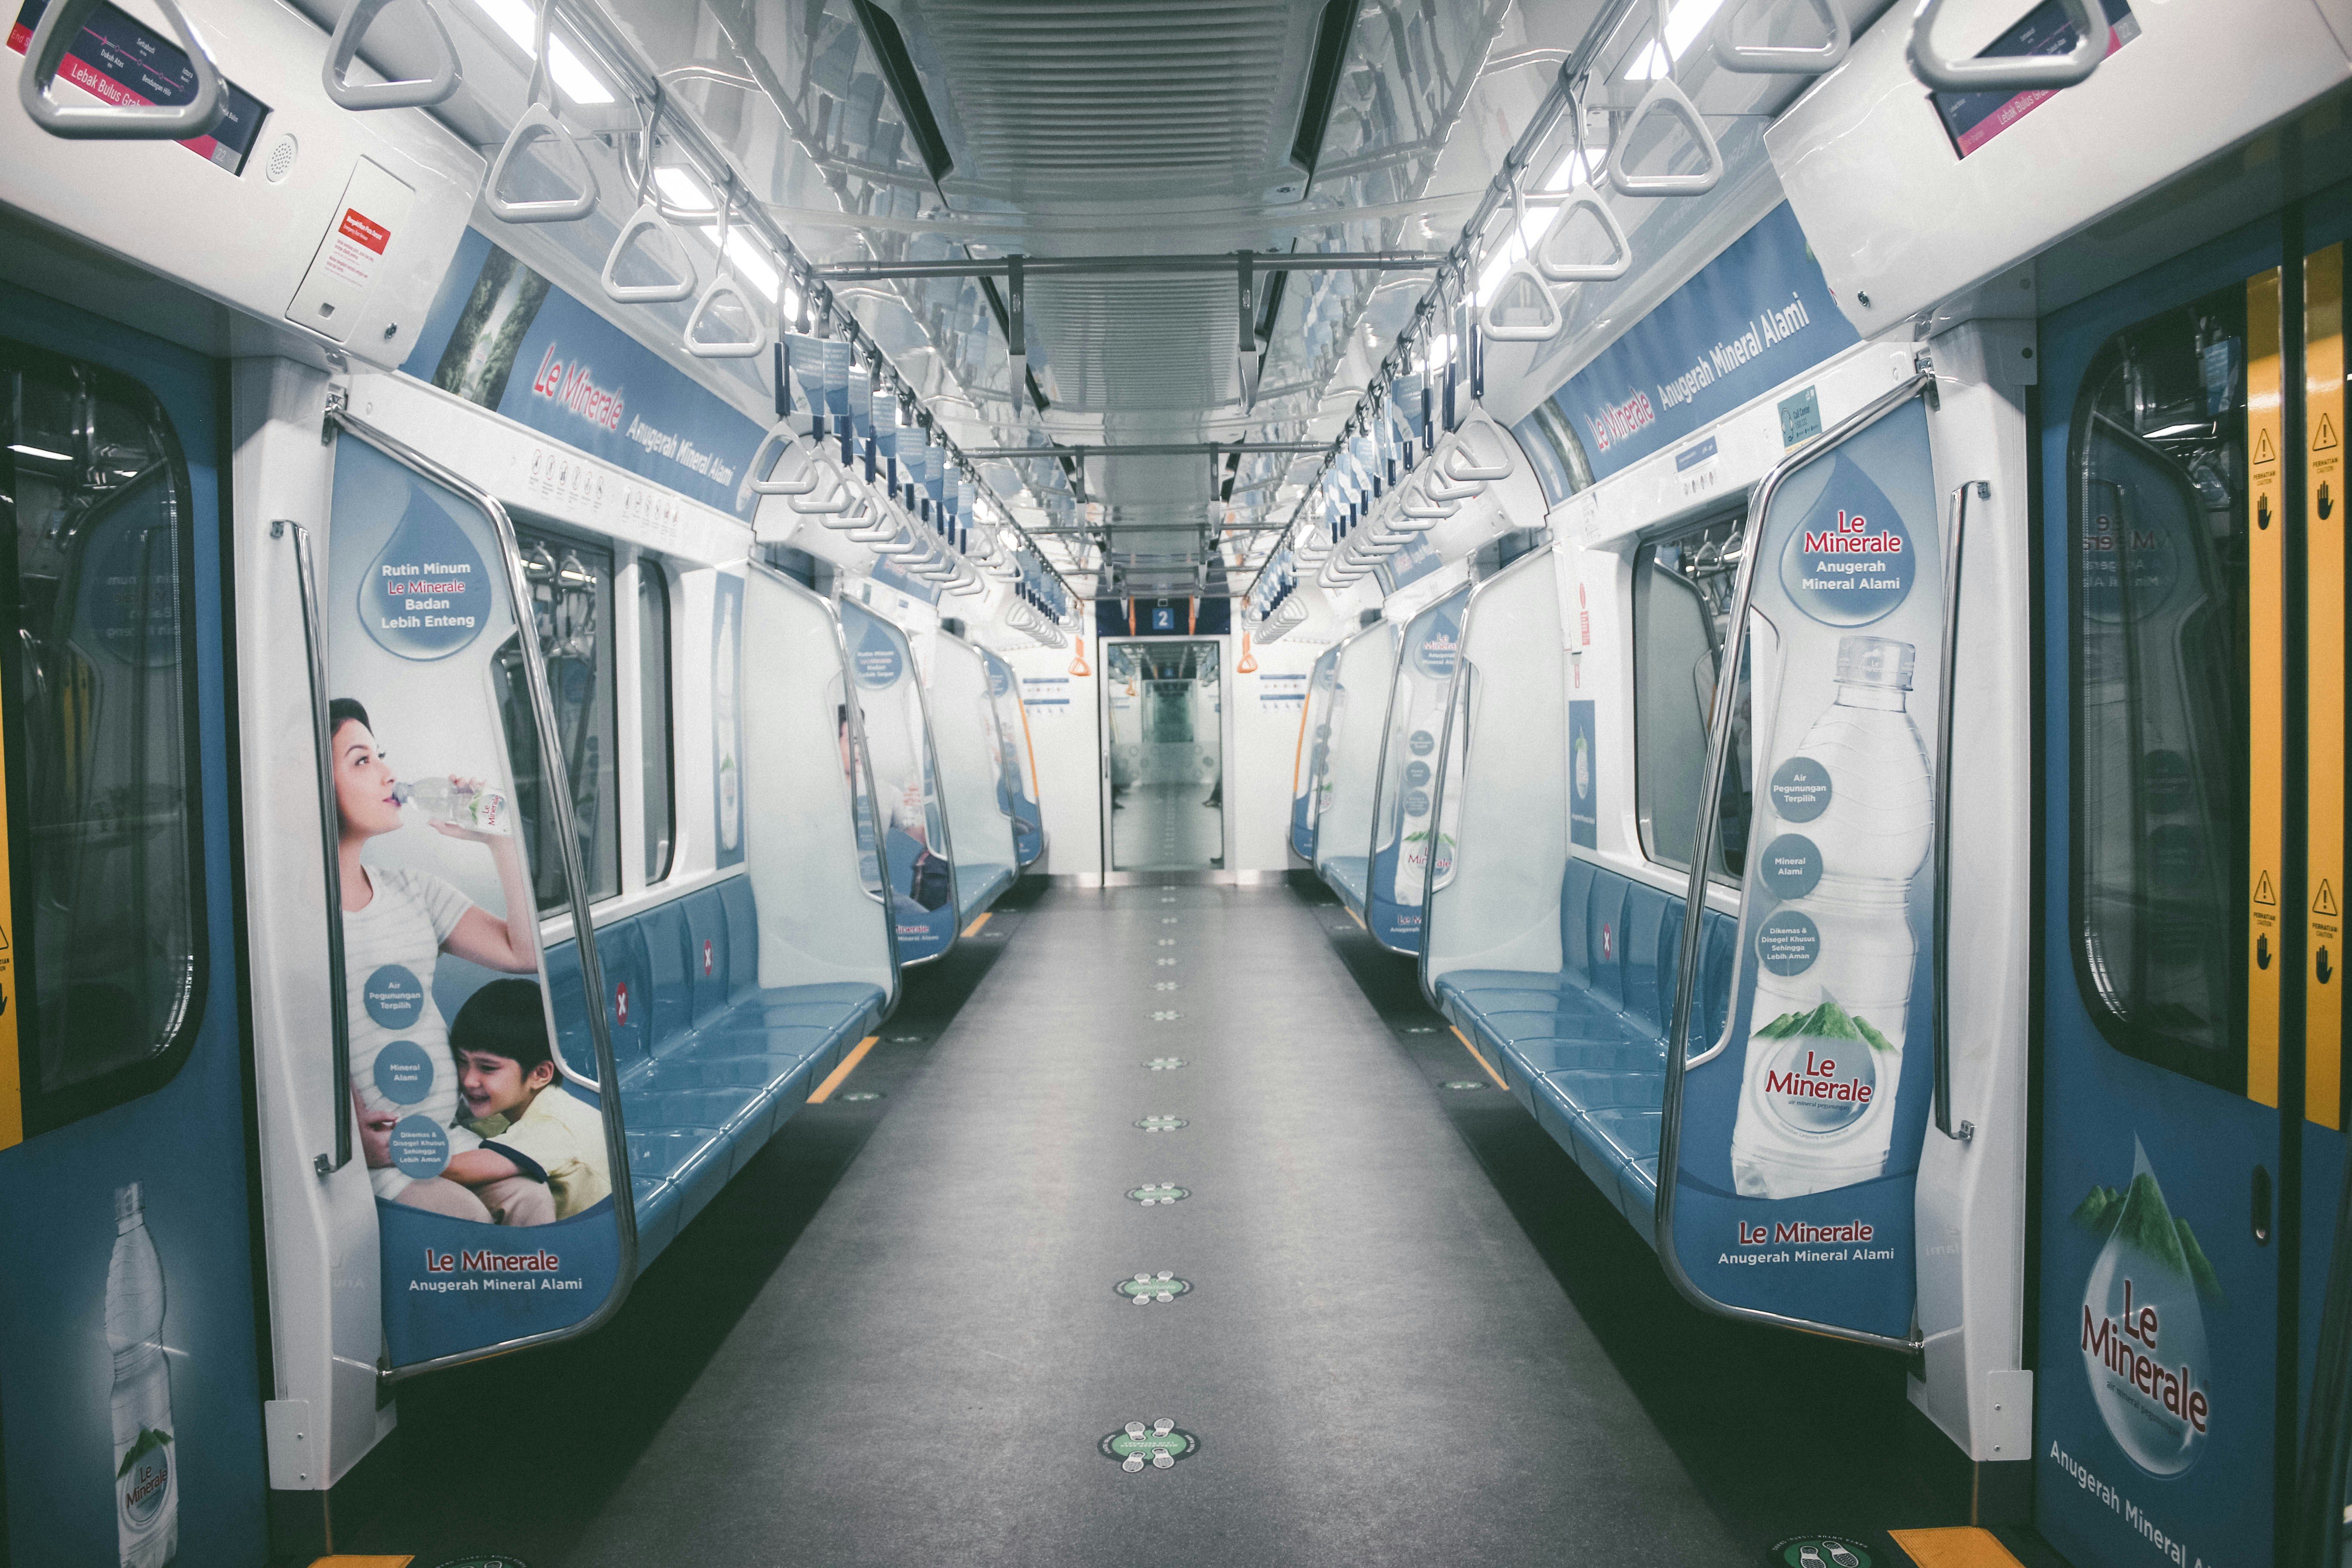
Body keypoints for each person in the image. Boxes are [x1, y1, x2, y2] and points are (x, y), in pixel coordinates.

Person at [333, 697, 543, 1224]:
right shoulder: (293, 918)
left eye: (381, 756)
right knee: (465, 1217)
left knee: (533, 1199)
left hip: (440, 1138)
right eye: (362, 761)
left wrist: (499, 841)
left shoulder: (414, 891)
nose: (388, 774)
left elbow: (523, 953)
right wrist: (346, 1129)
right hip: (372, 1154)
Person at [445, 980, 611, 1223]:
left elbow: (461, 1170)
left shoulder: (551, 1127)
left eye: (488, 1068)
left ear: (540, 1074)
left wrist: (400, 1153)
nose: (469, 1080)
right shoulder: (558, 1104)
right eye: (462, 1062)